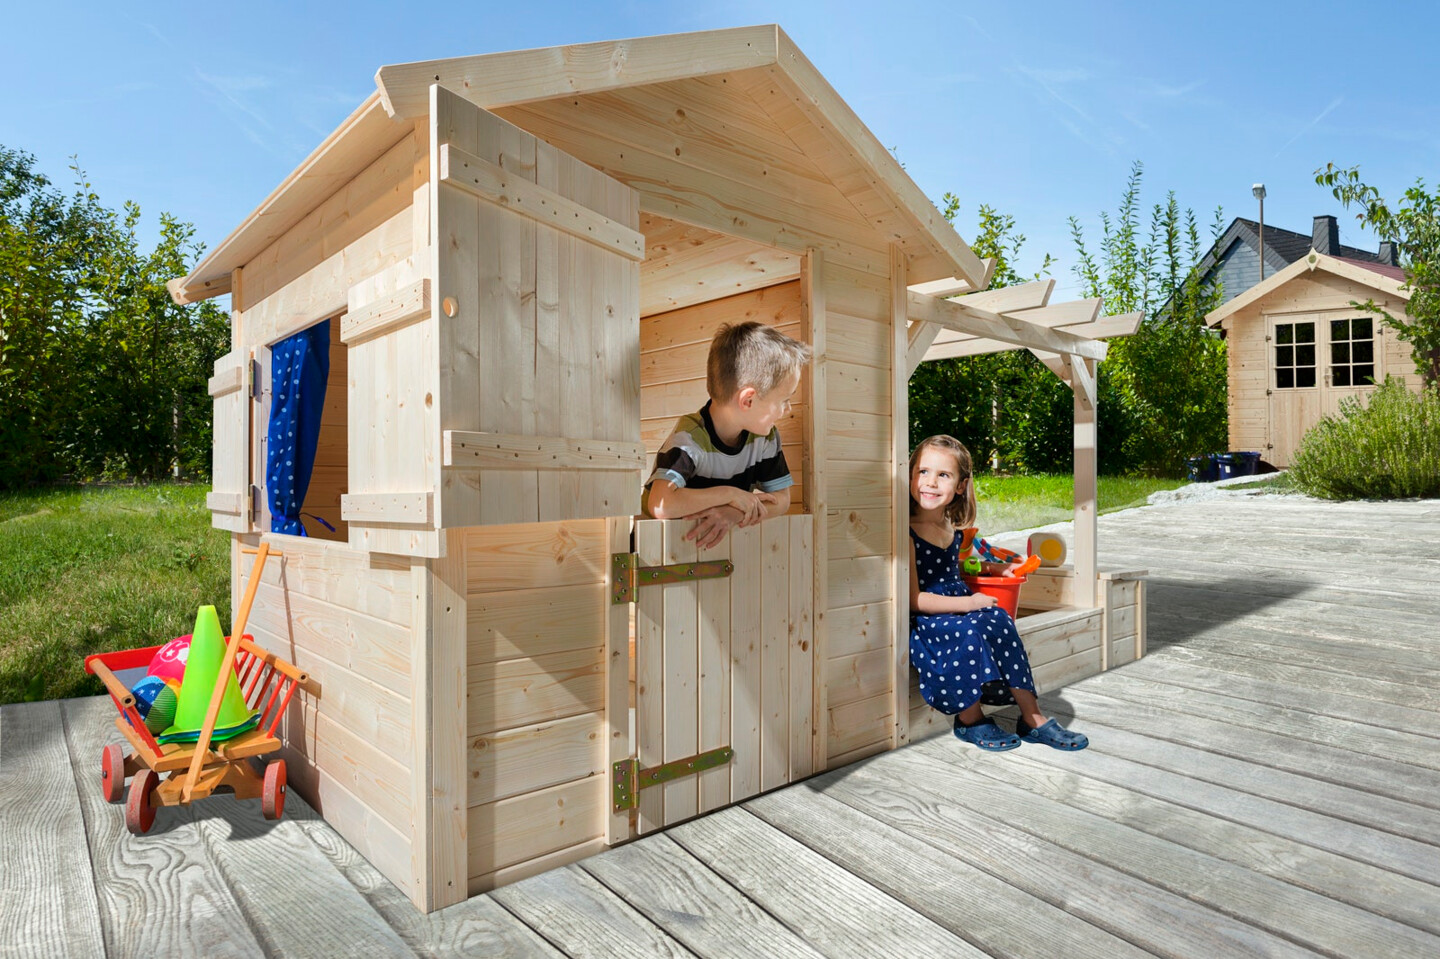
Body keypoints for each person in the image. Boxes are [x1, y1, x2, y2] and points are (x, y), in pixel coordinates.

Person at [908, 434, 1088, 751]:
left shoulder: (950, 528)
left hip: (959, 606)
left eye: (943, 475)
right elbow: (915, 599)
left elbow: (958, 568)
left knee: (1000, 619)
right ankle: (970, 719)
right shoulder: (906, 531)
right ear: (910, 474)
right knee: (970, 630)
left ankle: (1032, 718)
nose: (931, 482)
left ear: (960, 486)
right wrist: (969, 603)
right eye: (923, 471)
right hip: (929, 617)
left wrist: (992, 569)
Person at [644, 322, 812, 548]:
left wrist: (735, 512)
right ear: (748, 400)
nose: (788, 409)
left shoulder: (765, 438)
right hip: (660, 547)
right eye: (784, 400)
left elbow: (782, 501)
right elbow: (661, 505)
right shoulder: (690, 438)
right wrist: (731, 495)